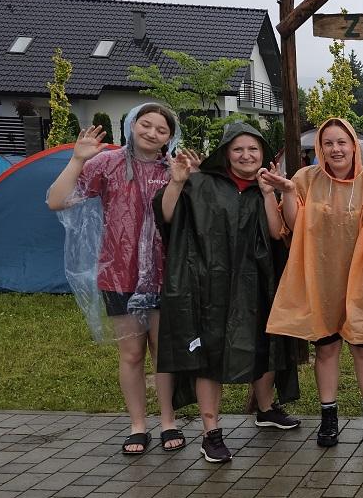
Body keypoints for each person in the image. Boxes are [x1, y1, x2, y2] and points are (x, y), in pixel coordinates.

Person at [155, 121, 301, 464]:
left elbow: (277, 232)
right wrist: (177, 182)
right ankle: (211, 432)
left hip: (258, 281)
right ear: (226, 153)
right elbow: (168, 216)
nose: (246, 155)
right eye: (238, 149)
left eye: (253, 149)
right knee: (210, 354)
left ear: (263, 153)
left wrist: (267, 193)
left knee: (264, 343)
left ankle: (265, 409)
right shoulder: (201, 183)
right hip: (209, 285)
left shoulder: (267, 186)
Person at [46, 103, 184, 455]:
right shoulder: (107, 164)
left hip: (165, 274)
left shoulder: (173, 169)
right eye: (146, 124)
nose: (152, 133)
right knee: (132, 354)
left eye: (162, 129)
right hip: (120, 274)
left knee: (164, 354)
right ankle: (138, 425)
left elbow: (177, 218)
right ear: (132, 125)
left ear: (170, 137)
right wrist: (77, 159)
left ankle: (168, 421)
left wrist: (181, 180)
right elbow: (57, 201)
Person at [262, 117, 363, 448]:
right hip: (321, 277)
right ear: (320, 148)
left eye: (342, 142)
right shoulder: (305, 178)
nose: (336, 149)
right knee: (326, 350)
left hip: (361, 277)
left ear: (354, 146)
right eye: (328, 143)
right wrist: (288, 192)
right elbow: (293, 226)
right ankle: (329, 417)